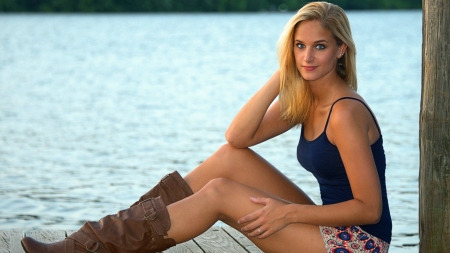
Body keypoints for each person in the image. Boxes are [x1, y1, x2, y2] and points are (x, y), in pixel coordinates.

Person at [21, 2, 392, 253]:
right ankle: (89, 242)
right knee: (230, 159)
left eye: (320, 47)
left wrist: (287, 212)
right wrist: (282, 75)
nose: (307, 57)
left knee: (218, 193)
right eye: (299, 46)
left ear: (341, 50)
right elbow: (237, 137)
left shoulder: (344, 113)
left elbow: (368, 209)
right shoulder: (308, 99)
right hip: (328, 228)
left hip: (359, 244)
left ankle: (88, 249)